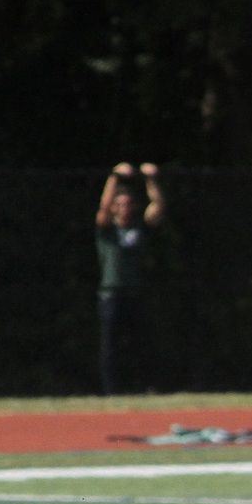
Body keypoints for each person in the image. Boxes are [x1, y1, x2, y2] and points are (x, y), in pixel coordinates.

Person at [94, 162, 164, 395]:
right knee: (110, 347)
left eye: (128, 203)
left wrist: (150, 180)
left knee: (143, 345)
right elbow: (103, 208)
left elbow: (158, 207)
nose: (124, 207)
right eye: (120, 204)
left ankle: (146, 388)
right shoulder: (107, 230)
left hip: (135, 293)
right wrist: (114, 177)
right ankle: (110, 392)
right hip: (111, 294)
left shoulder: (139, 227)